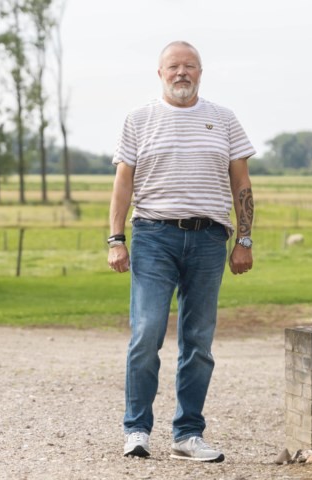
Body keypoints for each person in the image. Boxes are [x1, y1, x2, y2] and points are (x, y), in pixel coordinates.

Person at [107, 40, 255, 463]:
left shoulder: (224, 120)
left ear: (201, 73)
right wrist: (116, 238)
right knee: (147, 332)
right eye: (174, 66)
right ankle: (136, 429)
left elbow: (241, 184)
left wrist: (244, 239)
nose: (182, 73)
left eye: (190, 66)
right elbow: (123, 184)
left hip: (210, 239)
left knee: (198, 341)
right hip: (154, 236)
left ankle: (188, 434)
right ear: (160, 73)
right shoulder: (139, 120)